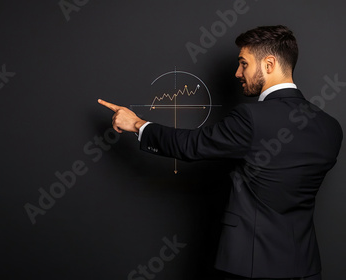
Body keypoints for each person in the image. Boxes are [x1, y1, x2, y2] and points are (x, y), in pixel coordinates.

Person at [98, 25, 342, 280]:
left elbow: (191, 145)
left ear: (269, 64)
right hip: (305, 266)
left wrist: (137, 124)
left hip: (251, 265)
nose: (238, 73)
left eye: (244, 64)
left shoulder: (252, 118)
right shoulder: (330, 127)